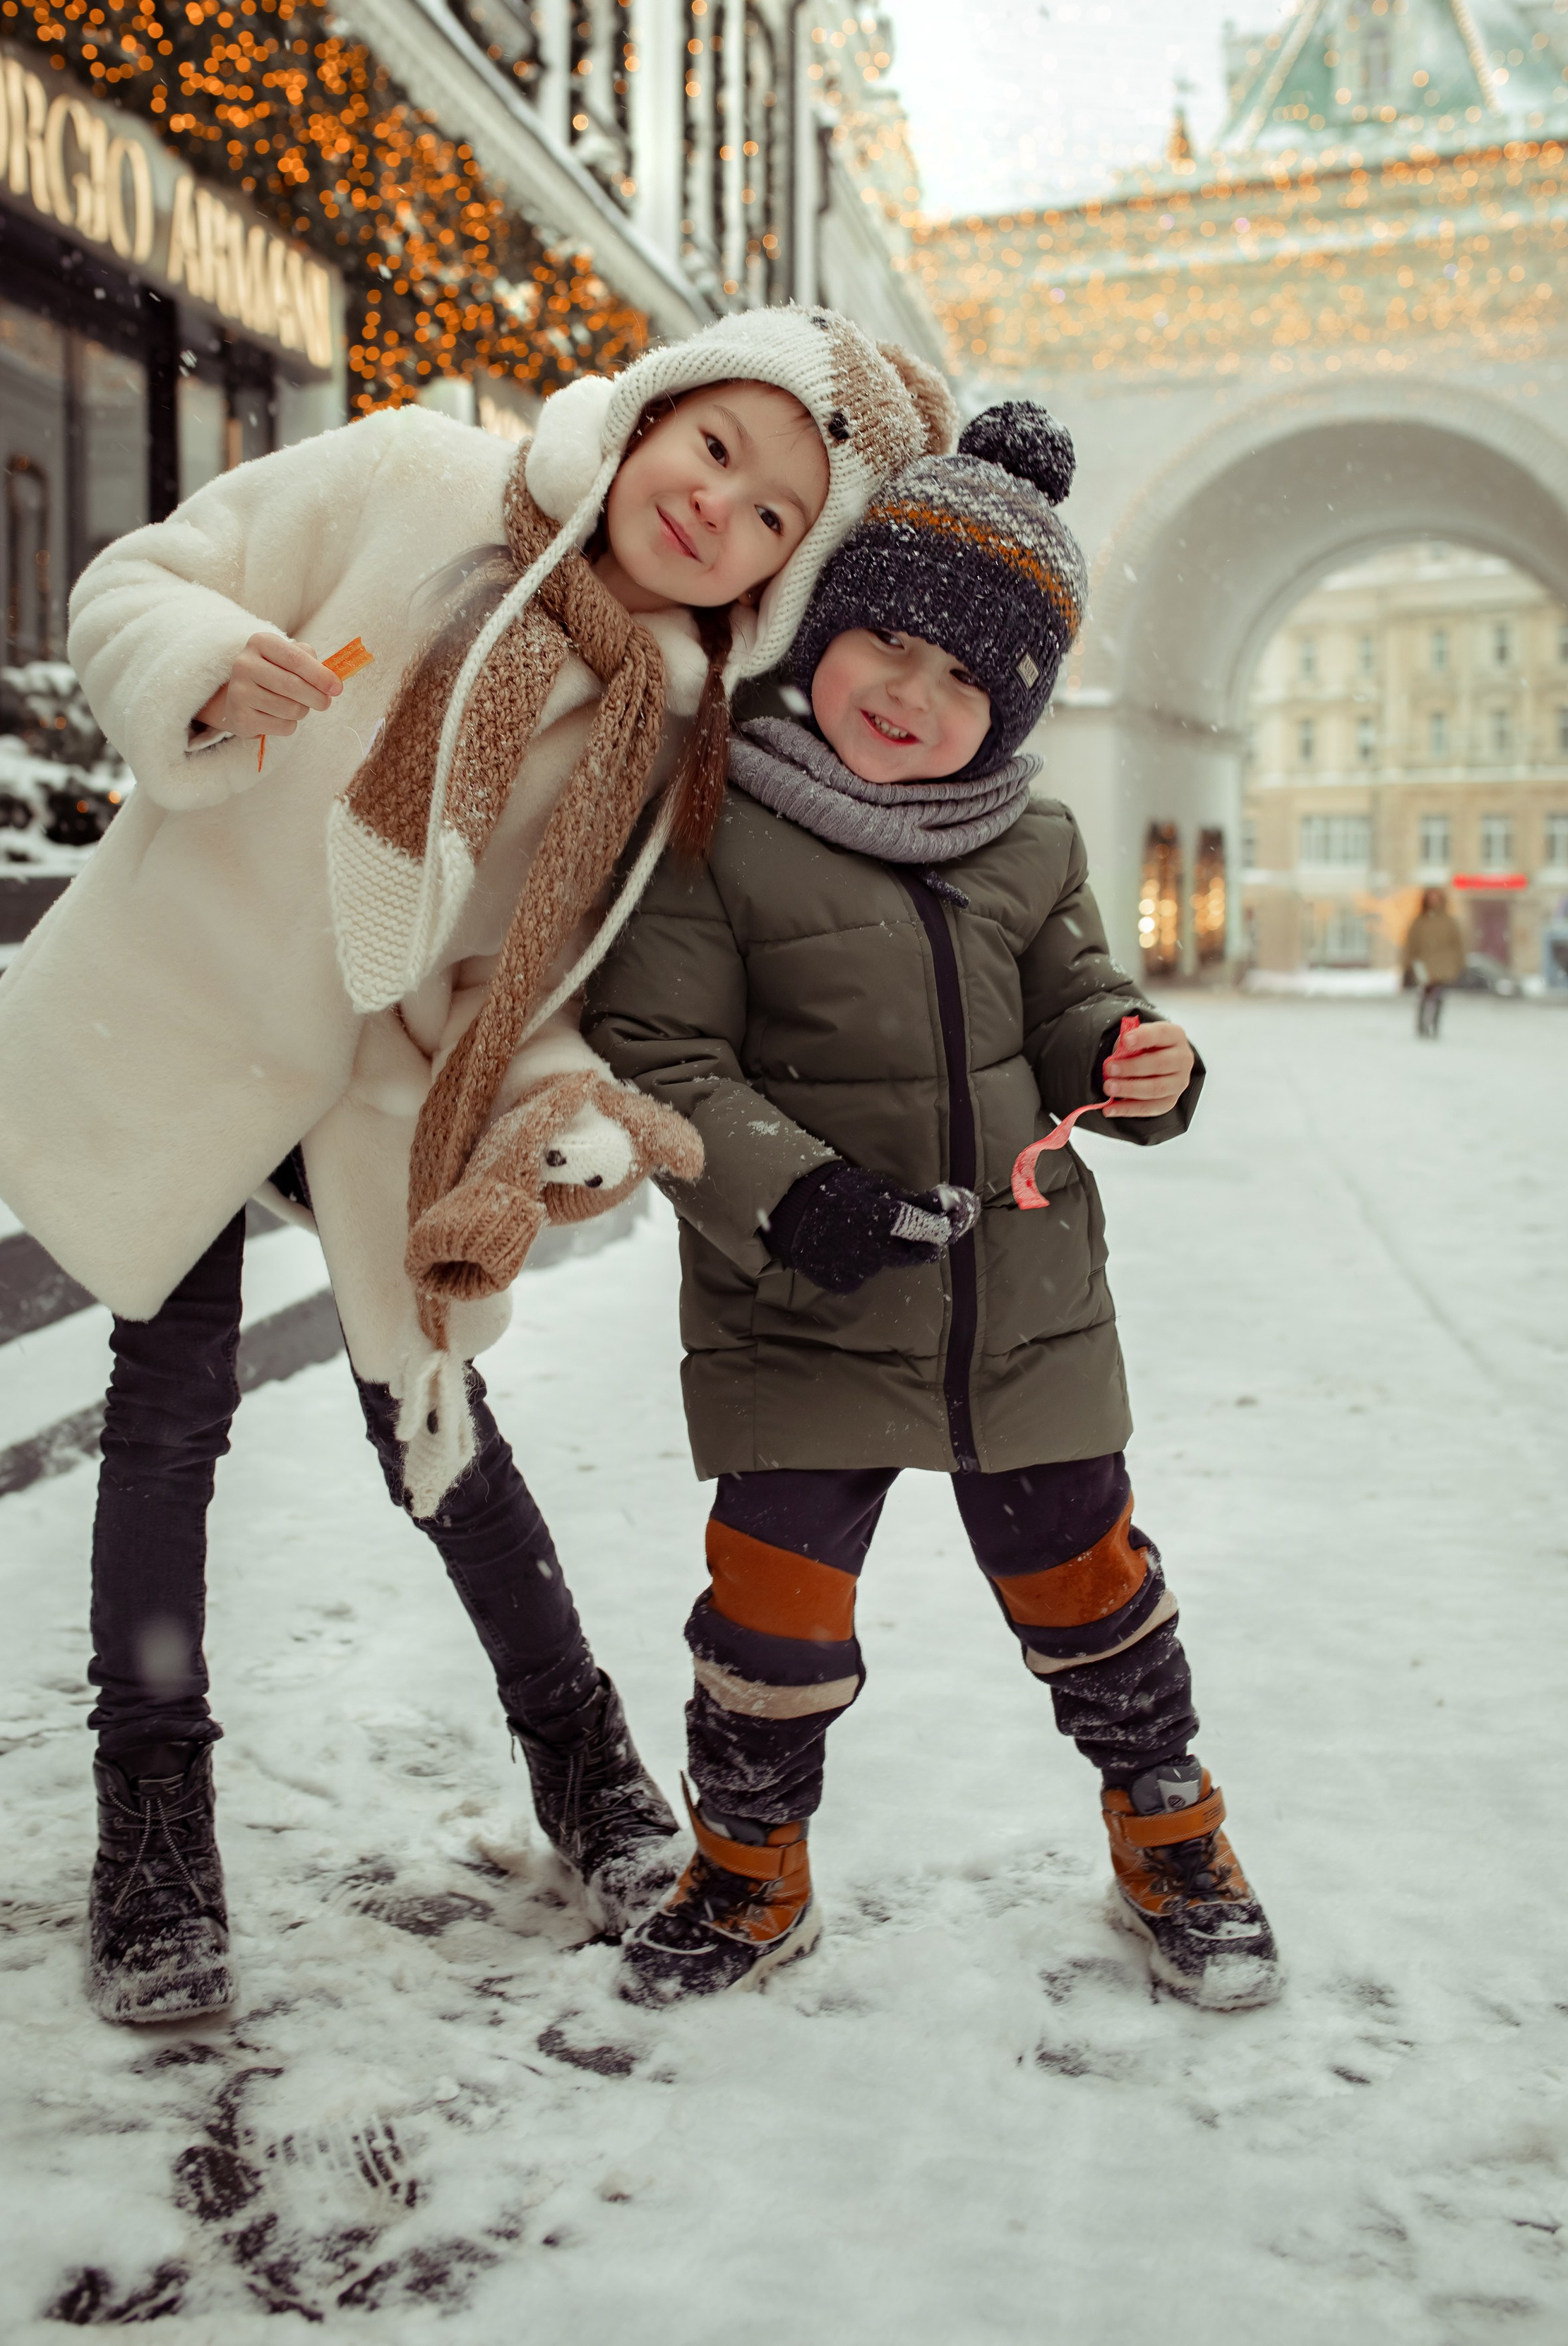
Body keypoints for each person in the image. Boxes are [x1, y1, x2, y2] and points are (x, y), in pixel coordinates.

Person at [0, 305, 954, 2023]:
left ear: (780, 577)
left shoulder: (664, 727)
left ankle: (584, 1761)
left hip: (382, 1087)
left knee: (440, 1428)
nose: (719, 506)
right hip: (191, 1012)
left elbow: (525, 977)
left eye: (776, 513)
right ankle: (153, 1821)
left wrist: (548, 1110)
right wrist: (193, 655)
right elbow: (142, 575)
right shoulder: (417, 473)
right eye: (715, 447)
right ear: (649, 414)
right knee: (167, 1402)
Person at [585, 402, 1282, 2016]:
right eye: (884, 639)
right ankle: (747, 1871)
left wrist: (1131, 1059)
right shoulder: (718, 818)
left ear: (1014, 703)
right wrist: (788, 1188)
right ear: (822, 626)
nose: (910, 692)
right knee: (765, 1624)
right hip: (800, 1292)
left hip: (1014, 1297)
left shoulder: (1029, 836)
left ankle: (1169, 1833)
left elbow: (1073, 1002)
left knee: (1093, 1593)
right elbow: (657, 1045)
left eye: (966, 674)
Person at [1404, 885, 1466, 1037]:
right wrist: (1409, 964)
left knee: (1438, 997)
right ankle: (1422, 1026)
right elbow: (1411, 945)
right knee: (1425, 995)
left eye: (1437, 898)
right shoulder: (1419, 922)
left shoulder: (1449, 922)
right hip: (1424, 966)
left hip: (1444, 966)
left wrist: (1459, 964)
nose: (1434, 901)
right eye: (1431, 897)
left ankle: (1434, 1026)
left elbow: (1458, 945)